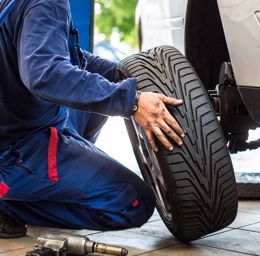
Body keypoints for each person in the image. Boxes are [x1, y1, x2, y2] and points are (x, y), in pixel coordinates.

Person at [0, 0, 185, 238]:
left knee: (92, 101)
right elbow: (45, 74)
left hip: (20, 123)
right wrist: (132, 101)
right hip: (16, 150)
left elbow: (60, 54)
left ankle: (58, 180)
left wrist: (126, 76)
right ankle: (9, 203)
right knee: (134, 202)